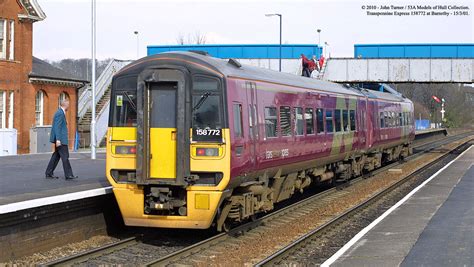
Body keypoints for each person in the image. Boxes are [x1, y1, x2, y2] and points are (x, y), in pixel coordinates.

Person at [45, 99, 78, 180]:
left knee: (56, 156)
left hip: (60, 139)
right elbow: (57, 127)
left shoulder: (60, 112)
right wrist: (58, 139)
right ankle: (69, 175)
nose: (69, 106)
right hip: (61, 140)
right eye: (68, 104)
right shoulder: (60, 113)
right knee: (65, 157)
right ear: (65, 105)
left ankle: (49, 172)